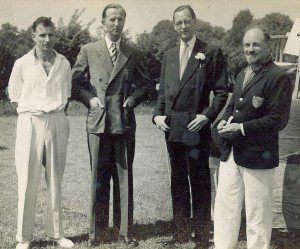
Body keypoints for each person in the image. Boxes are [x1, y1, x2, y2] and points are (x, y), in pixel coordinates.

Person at [71, 3, 150, 246]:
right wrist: (90, 99)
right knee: (98, 177)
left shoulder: (133, 51)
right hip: (98, 122)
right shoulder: (88, 49)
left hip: (123, 122)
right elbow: (75, 83)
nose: (116, 24)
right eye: (112, 20)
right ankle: (98, 232)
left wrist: (134, 98)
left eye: (120, 20)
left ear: (124, 23)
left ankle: (125, 231)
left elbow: (146, 84)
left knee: (124, 179)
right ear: (103, 23)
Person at [153, 5, 228, 248]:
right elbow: (163, 93)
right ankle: (181, 233)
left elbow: (220, 92)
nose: (183, 26)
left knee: (199, 181)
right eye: (179, 23)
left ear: (194, 22)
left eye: (187, 21)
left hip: (197, 128)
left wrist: (207, 116)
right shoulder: (169, 54)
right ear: (174, 26)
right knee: (177, 181)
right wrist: (157, 115)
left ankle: (202, 236)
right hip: (173, 129)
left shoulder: (210, 52)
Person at [213, 26, 293, 249]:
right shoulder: (242, 74)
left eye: (256, 44)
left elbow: (278, 120)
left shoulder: (279, 77)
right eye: (247, 45)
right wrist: (224, 121)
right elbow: (232, 108)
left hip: (259, 156)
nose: (250, 49)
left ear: (267, 46)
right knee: (225, 209)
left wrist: (241, 128)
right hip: (232, 154)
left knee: (257, 214)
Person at [8, 17, 74, 249]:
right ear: (33, 36)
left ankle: (55, 234)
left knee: (55, 178)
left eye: (51, 35)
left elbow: (66, 93)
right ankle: (24, 238)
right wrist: (33, 116)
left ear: (55, 36)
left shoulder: (64, 63)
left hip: (57, 120)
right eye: (42, 35)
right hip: (30, 121)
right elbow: (15, 96)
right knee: (28, 180)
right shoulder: (21, 63)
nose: (47, 40)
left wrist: (52, 115)